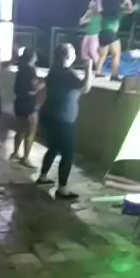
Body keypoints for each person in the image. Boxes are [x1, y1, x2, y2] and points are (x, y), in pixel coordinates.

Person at [37, 43, 93, 200]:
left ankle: (43, 176)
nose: (76, 55)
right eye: (73, 52)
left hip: (49, 115)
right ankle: (62, 188)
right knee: (68, 152)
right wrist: (89, 68)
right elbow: (85, 87)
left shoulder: (54, 71)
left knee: (53, 148)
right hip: (64, 119)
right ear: (67, 56)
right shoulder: (68, 74)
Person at [11, 48, 41, 168]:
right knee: (31, 131)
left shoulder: (21, 69)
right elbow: (32, 90)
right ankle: (25, 158)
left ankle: (15, 153)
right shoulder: (30, 70)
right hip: (28, 104)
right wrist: (44, 84)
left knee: (20, 130)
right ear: (32, 57)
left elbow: (16, 89)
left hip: (19, 102)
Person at [95, 0, 125, 81]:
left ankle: (98, 72)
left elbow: (99, 9)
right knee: (116, 55)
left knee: (102, 55)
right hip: (111, 33)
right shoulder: (118, 12)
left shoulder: (104, 13)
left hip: (102, 33)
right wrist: (128, 2)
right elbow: (129, 9)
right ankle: (114, 75)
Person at [79, 0, 102, 66]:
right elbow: (81, 22)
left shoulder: (98, 14)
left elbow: (99, 6)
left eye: (92, 3)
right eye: (90, 3)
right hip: (88, 35)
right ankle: (88, 68)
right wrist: (86, 19)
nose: (90, 4)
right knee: (84, 54)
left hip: (94, 36)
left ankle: (99, 68)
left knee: (93, 52)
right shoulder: (88, 13)